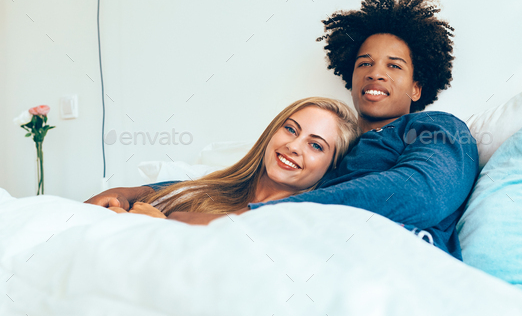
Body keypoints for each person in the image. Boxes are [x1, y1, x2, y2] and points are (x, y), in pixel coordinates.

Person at [88, 0, 479, 260]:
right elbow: (245, 179)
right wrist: (139, 191)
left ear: (416, 87)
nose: (375, 73)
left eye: (394, 66)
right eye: (364, 64)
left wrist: (244, 219)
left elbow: (424, 192)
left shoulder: (438, 127)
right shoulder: (335, 152)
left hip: (400, 270)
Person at [85, 97, 360, 219]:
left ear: (331, 165)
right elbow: (160, 191)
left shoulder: (296, 217)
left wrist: (163, 228)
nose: (294, 146)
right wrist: (119, 194)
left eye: (316, 146)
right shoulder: (217, 186)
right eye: (290, 129)